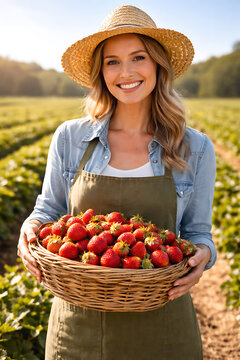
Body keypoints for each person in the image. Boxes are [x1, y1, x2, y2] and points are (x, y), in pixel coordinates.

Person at [18, 5, 217, 360]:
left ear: (157, 64)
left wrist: (203, 255)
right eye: (112, 61)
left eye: (138, 57)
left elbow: (198, 234)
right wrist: (30, 229)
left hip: (164, 325)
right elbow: (47, 210)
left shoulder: (195, 147)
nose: (125, 72)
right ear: (100, 71)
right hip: (77, 327)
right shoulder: (70, 138)